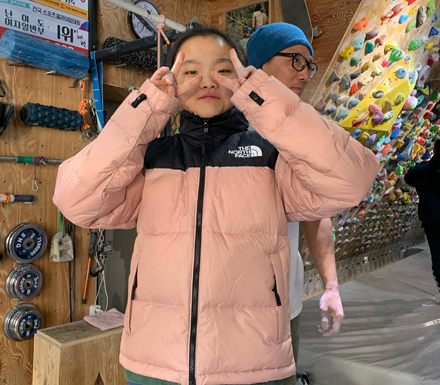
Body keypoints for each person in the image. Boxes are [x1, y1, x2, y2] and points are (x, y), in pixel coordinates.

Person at [53, 26, 379, 385]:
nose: (207, 81)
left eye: (223, 70)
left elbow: (351, 179)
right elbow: (76, 200)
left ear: (245, 77)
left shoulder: (271, 157)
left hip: (253, 366)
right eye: (190, 71)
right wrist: (149, 108)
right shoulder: (152, 158)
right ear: (172, 81)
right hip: (154, 364)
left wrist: (260, 99)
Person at [246, 23, 344, 382]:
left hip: (285, 301)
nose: (305, 74)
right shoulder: (222, 126)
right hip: (226, 304)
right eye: (296, 61)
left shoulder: (303, 131)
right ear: (259, 65)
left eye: (309, 65)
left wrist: (331, 286)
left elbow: (316, 217)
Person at [404, 139, 440, 293]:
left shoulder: (422, 170)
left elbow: (409, 178)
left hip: (432, 218)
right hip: (432, 217)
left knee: (437, 253)